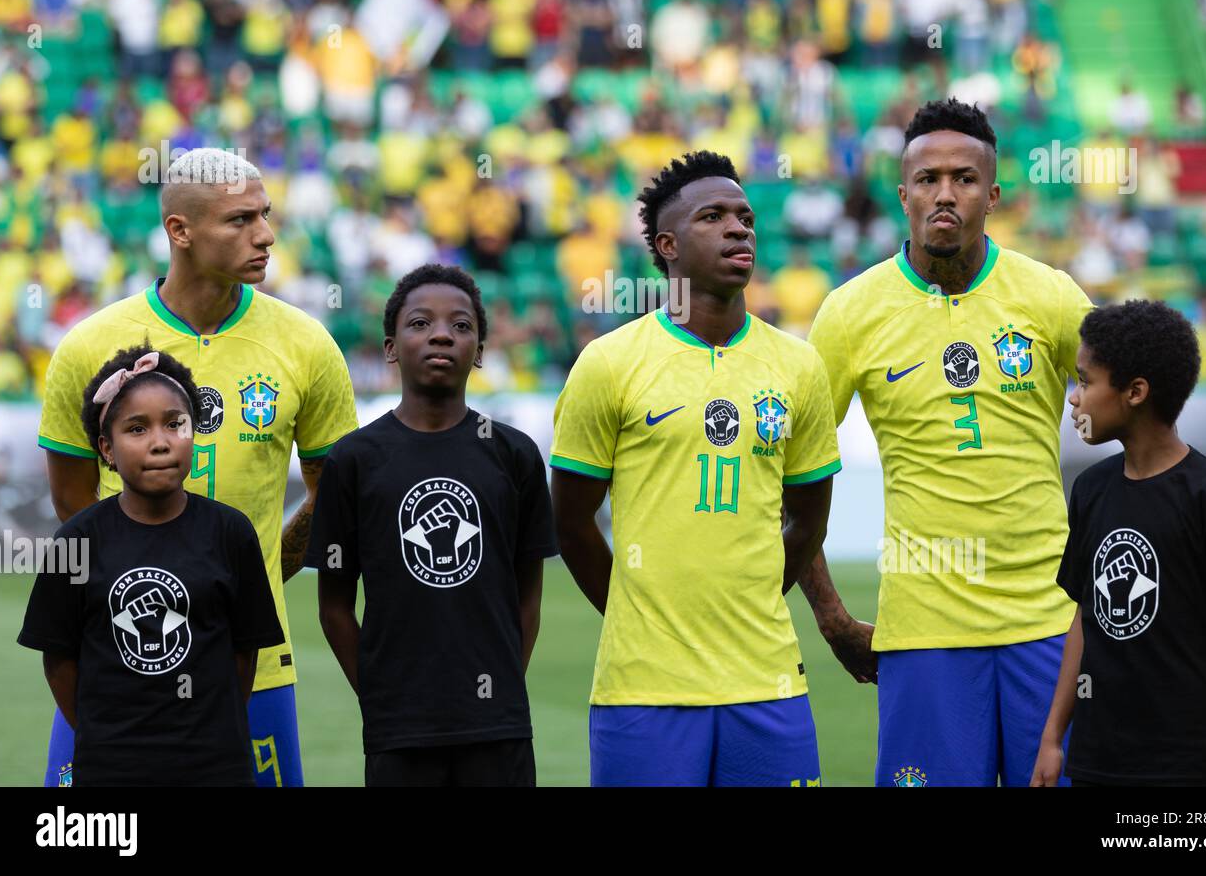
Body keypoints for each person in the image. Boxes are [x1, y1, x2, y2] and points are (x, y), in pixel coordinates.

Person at [36, 148, 358, 787]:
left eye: (265, 215)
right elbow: (75, 503)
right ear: (179, 231)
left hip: (254, 663)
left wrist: (237, 584)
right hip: (116, 653)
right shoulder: (90, 347)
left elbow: (336, 497)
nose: (265, 234)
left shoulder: (306, 344)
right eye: (240, 220)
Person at [805, 98, 1095, 786]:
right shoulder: (851, 314)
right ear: (902, 193)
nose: (945, 193)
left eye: (964, 178)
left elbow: (1136, 412)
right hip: (924, 631)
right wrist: (831, 616)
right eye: (928, 178)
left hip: (1051, 624)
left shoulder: (1049, 297)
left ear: (992, 195)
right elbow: (789, 473)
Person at [551, 150, 841, 787]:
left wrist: (755, 600)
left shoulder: (797, 367)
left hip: (768, 681)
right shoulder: (609, 364)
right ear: (668, 245)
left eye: (745, 217)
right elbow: (570, 524)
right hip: (643, 688)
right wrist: (636, 613)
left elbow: (810, 519)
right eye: (713, 217)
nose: (740, 229)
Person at [309, 265, 556, 787]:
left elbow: (527, 596)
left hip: (499, 726)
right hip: (398, 730)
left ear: (481, 351)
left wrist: (502, 686)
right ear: (391, 347)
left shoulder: (514, 454)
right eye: (421, 323)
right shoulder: (354, 459)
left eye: (461, 326)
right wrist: (378, 694)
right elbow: (333, 606)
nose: (442, 334)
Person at [19, 346, 284, 786]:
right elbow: (59, 660)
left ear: (193, 433)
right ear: (106, 448)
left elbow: (244, 652)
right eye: (137, 429)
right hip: (111, 770)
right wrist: (104, 737)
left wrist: (214, 731)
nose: (160, 441)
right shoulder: (77, 540)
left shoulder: (230, 533)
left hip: (215, 768)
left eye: (175, 424)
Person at [1032, 301, 1206, 787]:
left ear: (1135, 392)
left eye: (1085, 380)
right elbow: (1086, 616)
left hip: (1192, 763)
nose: (1074, 399)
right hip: (1099, 757)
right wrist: (1053, 737)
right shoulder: (1090, 490)